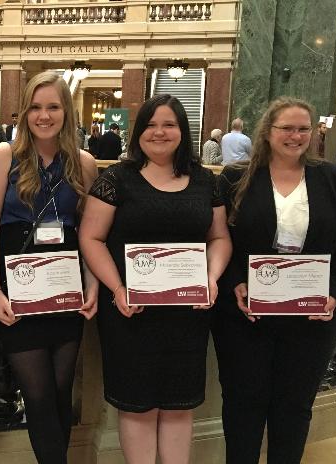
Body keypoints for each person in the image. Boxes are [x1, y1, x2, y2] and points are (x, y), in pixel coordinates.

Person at [79, 94, 231, 464]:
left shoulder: (204, 181)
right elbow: (91, 238)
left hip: (187, 312)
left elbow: (220, 237)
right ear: (138, 131)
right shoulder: (117, 178)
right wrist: (117, 288)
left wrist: (211, 278)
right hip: (131, 312)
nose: (159, 132)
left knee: (181, 405)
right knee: (137, 406)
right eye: (150, 125)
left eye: (169, 124)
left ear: (183, 131)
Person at [213, 97, 336, 464]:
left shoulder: (332, 179)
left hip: (310, 318)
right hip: (245, 316)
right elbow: (218, 239)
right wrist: (235, 280)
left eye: (303, 129)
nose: (295, 136)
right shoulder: (236, 177)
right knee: (242, 404)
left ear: (313, 133)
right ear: (268, 131)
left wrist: (335, 292)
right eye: (287, 128)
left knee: (295, 406)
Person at [0, 70, 99, 463]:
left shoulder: (83, 164)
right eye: (35, 106)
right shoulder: (4, 157)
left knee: (61, 390)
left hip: (66, 290)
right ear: (24, 112)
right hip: (19, 292)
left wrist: (93, 287)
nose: (43, 115)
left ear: (66, 111)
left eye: (52, 106)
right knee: (36, 394)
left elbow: (89, 235)